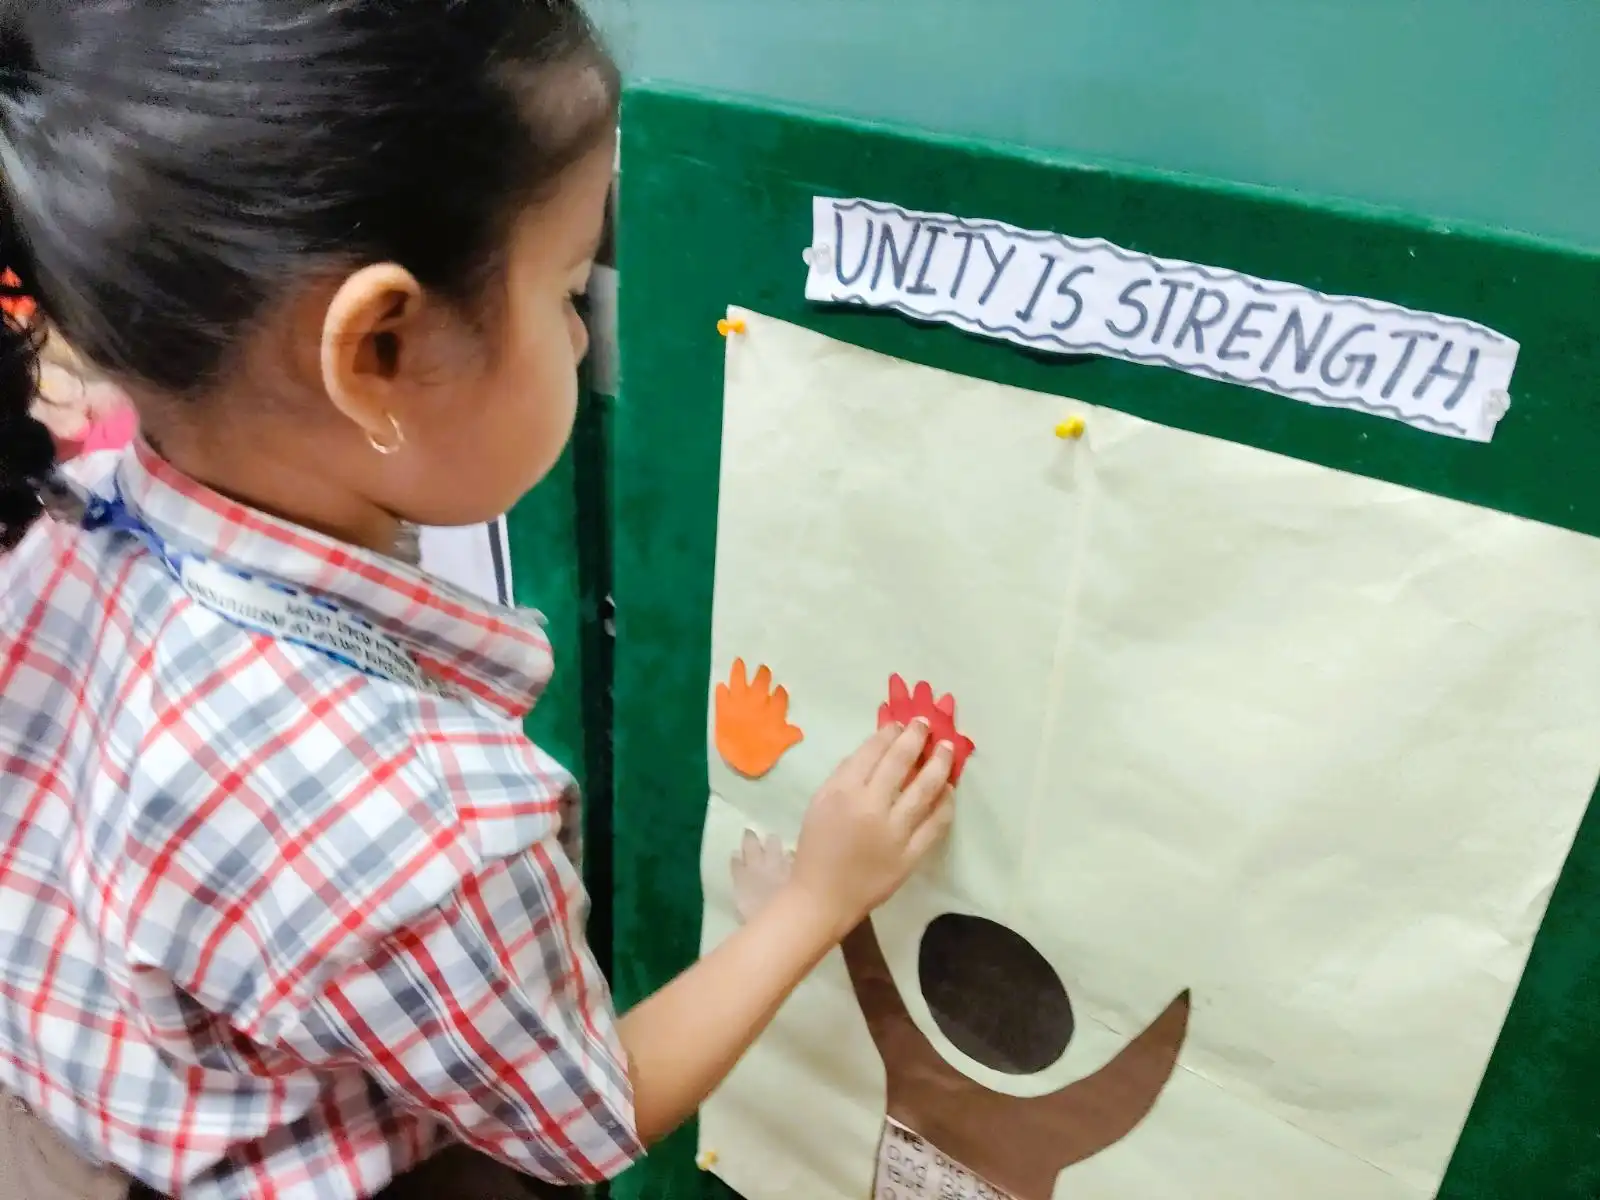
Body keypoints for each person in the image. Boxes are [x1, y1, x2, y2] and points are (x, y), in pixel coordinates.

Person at [0, 3, 959, 1198]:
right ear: (379, 353)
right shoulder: (420, 828)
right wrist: (818, 898)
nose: (584, 340)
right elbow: (590, 1112)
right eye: (566, 294)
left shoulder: (51, 533)